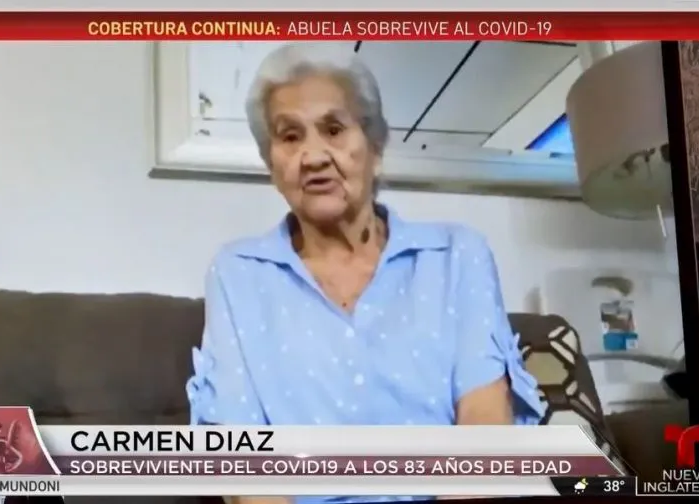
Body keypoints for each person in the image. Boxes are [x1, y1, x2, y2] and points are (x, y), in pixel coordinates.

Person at [186, 43, 544, 504]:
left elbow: (484, 421)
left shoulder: (456, 255)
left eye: (333, 129)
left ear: (374, 147)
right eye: (290, 136)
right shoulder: (238, 274)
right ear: (271, 164)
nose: (313, 156)